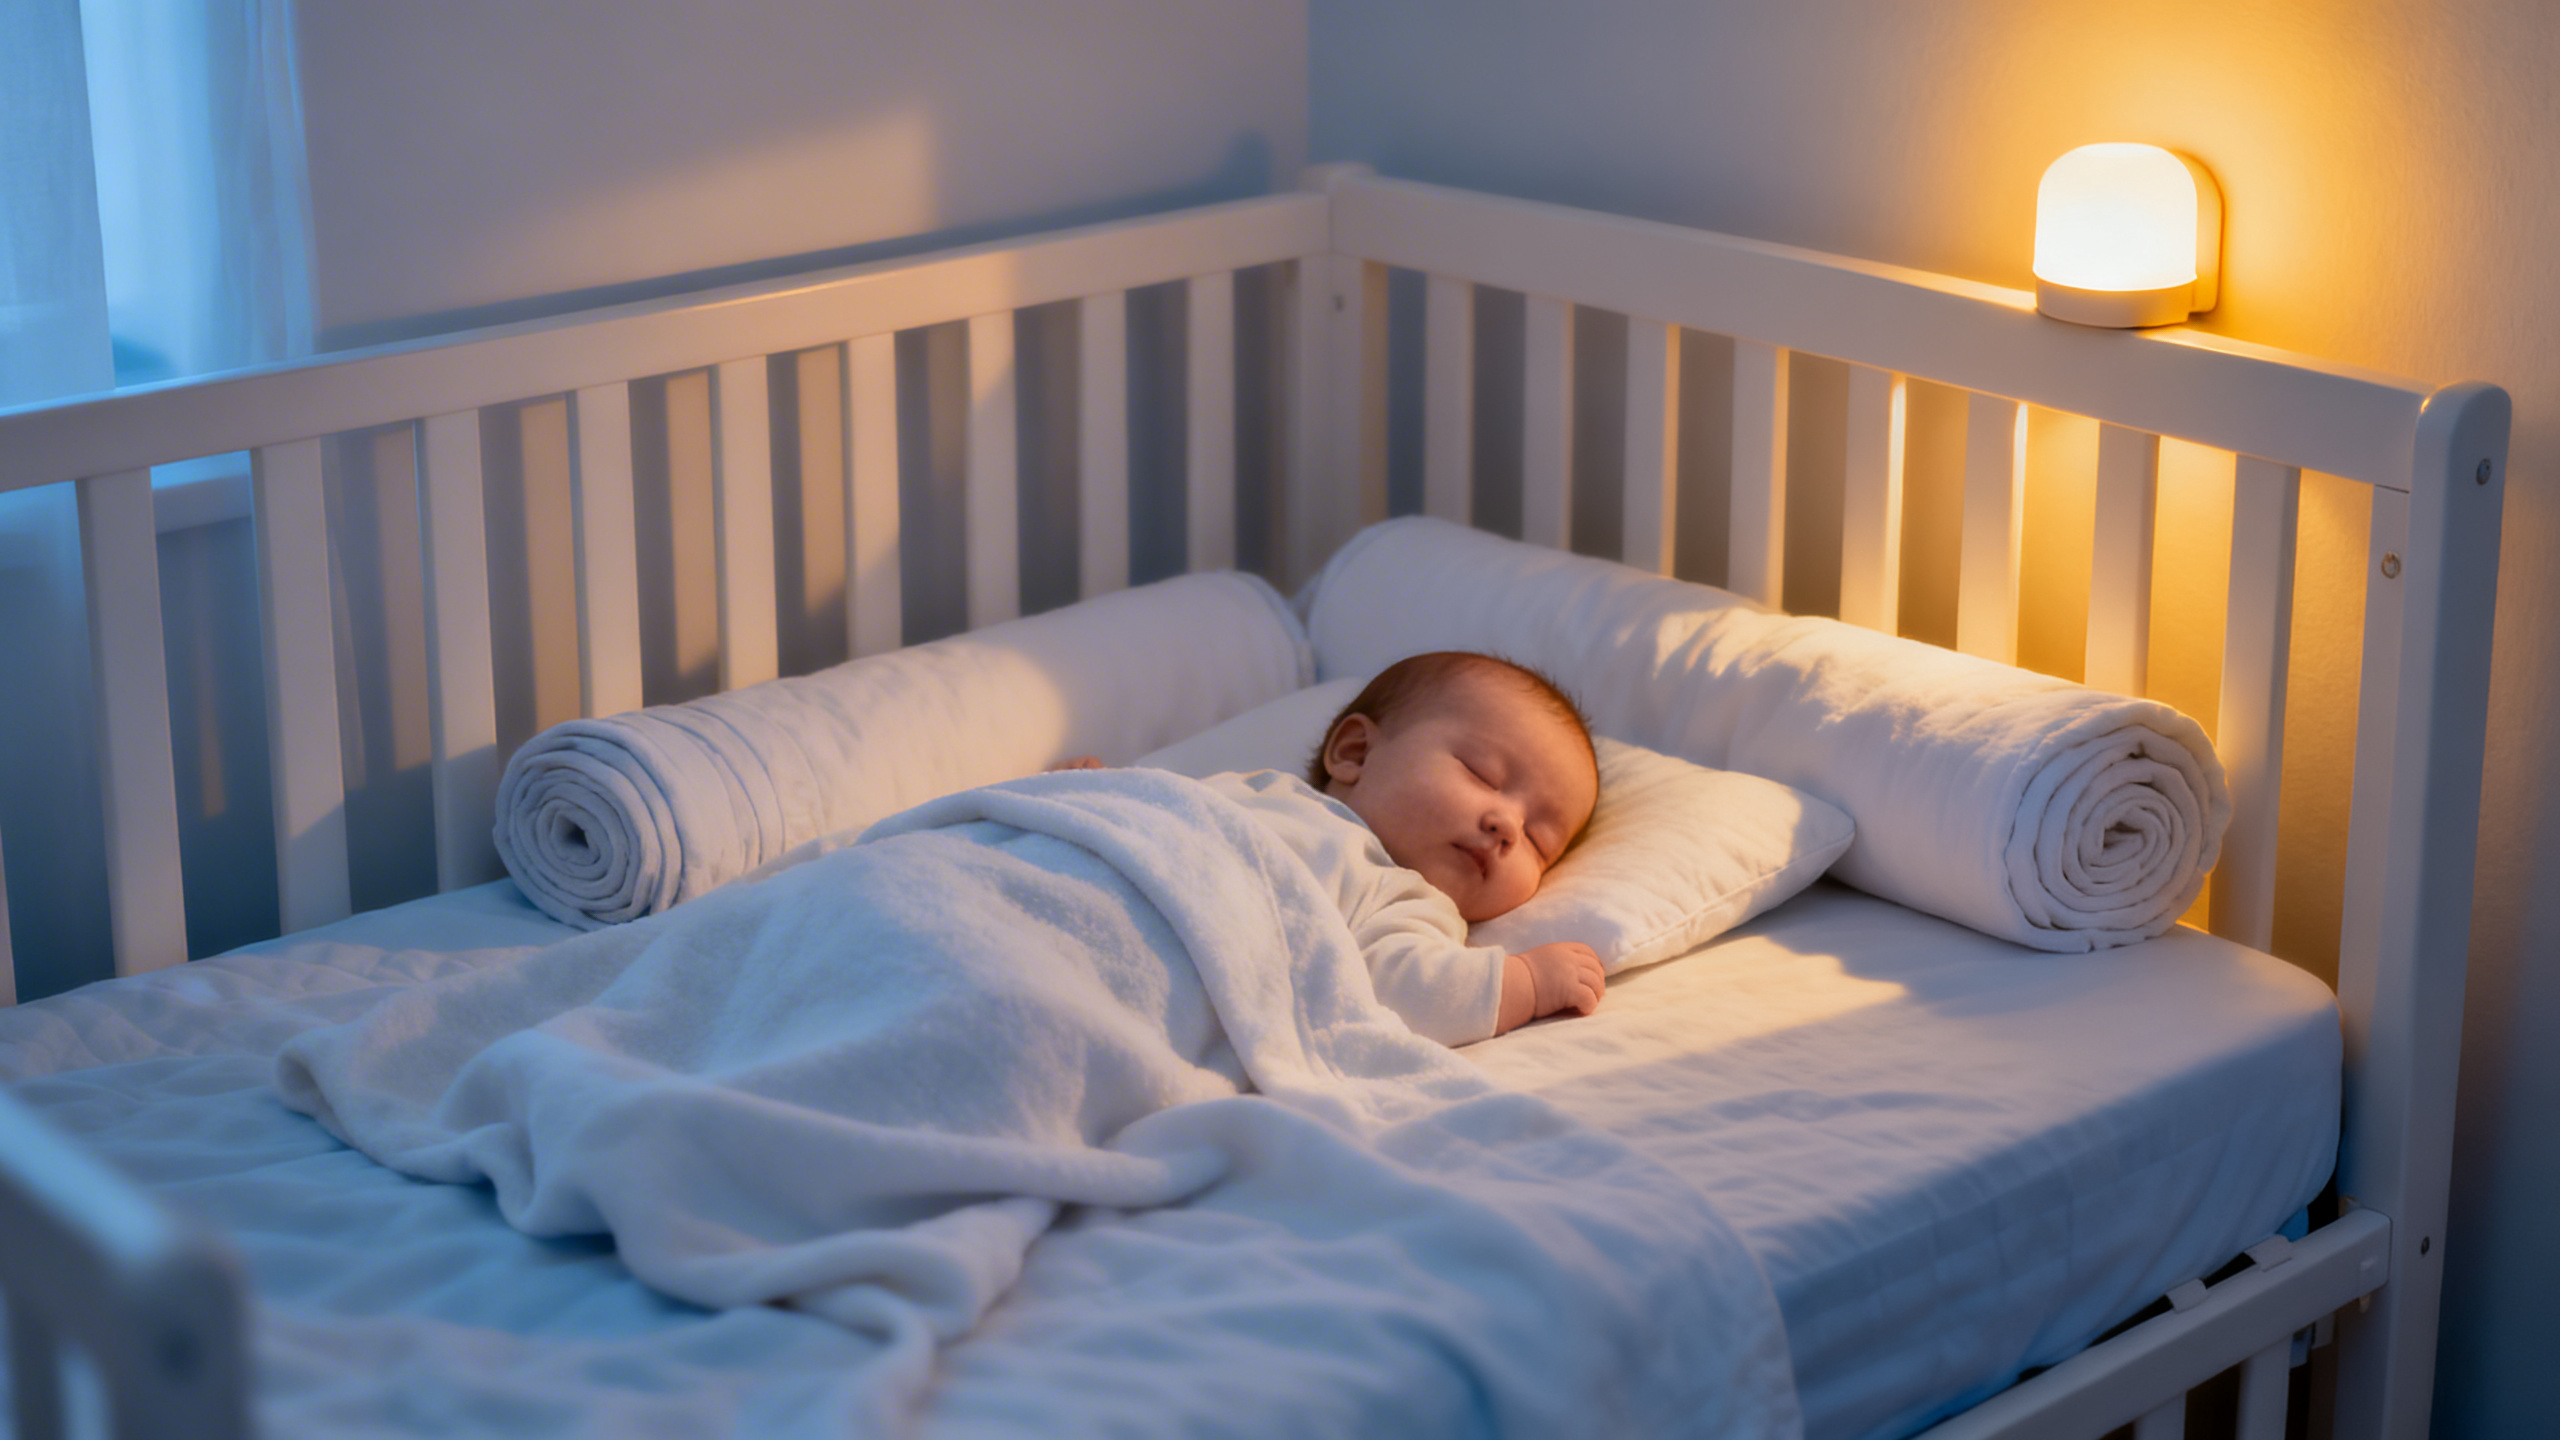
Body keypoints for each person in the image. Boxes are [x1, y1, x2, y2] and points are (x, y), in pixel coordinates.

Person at [1057, 651, 1605, 1046]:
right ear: (1356, 751)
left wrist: (1527, 982)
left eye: (1540, 841)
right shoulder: (1260, 790)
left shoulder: (1407, 900)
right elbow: (1170, 817)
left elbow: (1409, 993)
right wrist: (1102, 797)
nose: (1508, 824)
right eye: (1480, 773)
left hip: (1129, 970)